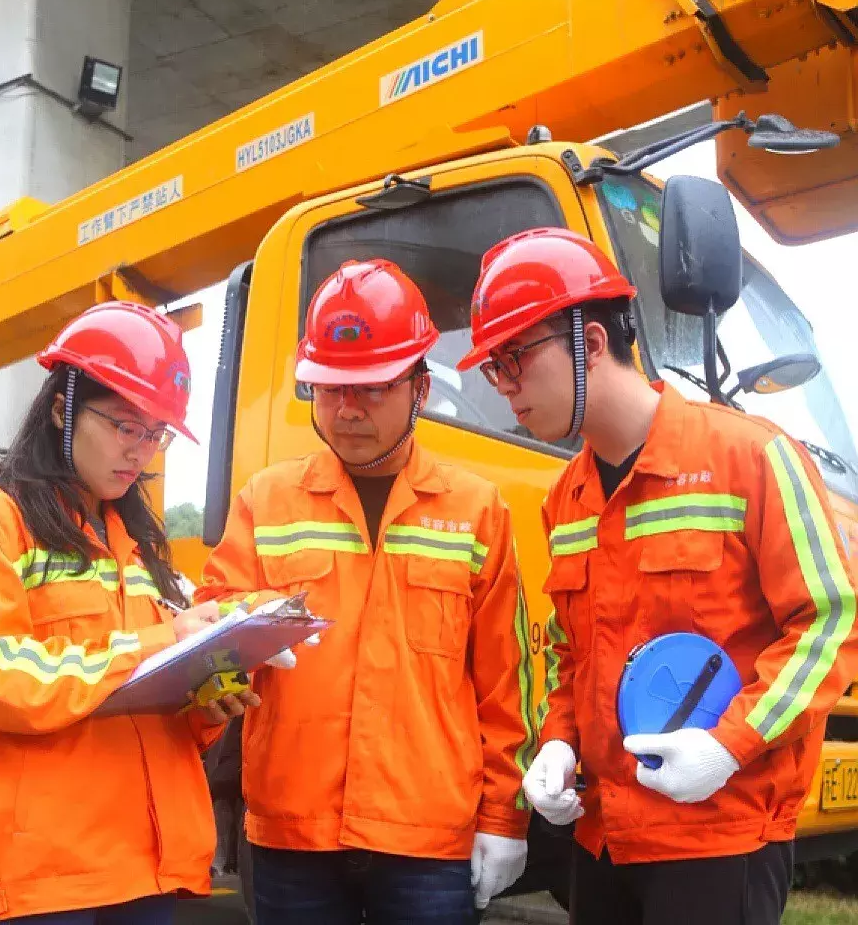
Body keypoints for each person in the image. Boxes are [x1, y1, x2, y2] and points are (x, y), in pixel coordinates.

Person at [457, 227, 858, 925]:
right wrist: (558, 741)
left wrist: (728, 745)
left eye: (515, 357)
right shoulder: (567, 501)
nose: (504, 388)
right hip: (604, 840)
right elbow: (570, 657)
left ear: (590, 343)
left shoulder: (753, 457)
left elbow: (829, 623)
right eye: (493, 368)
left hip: (718, 838)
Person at [194, 258, 537, 924]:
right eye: (329, 388)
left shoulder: (477, 509)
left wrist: (506, 817)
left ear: (420, 387)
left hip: (427, 840)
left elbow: (506, 683)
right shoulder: (266, 502)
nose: (347, 409)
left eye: (372, 387)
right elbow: (207, 645)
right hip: (293, 835)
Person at [0, 301, 260, 925]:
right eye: (123, 426)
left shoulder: (138, 546)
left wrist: (211, 700)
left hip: (147, 869)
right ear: (63, 408)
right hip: (45, 877)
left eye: (155, 433)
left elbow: (152, 708)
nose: (139, 451)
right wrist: (154, 647)